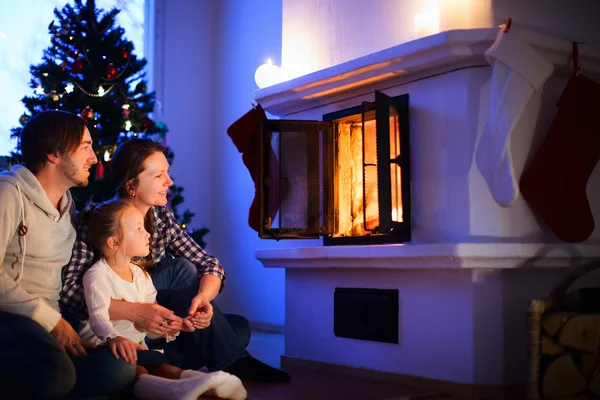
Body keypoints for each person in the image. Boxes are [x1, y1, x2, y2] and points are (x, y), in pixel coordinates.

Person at [62, 138, 291, 382]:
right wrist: (137, 311)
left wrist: (202, 299)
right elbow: (68, 292)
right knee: (181, 270)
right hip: (110, 325)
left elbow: (209, 264)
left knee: (238, 328)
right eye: (159, 175)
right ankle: (225, 361)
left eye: (167, 173)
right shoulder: (99, 220)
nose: (169, 182)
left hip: (155, 326)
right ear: (132, 185)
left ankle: (153, 362)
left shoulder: (162, 219)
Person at [0, 110, 137, 399]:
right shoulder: (8, 193)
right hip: (11, 318)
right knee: (57, 375)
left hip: (53, 320)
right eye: (86, 147)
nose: (95, 158)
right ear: (53, 153)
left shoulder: (69, 205)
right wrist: (50, 321)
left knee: (120, 367)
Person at [80, 198, 247, 400]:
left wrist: (175, 325)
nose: (148, 234)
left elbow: (153, 316)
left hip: (138, 344)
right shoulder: (97, 276)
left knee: (158, 361)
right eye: (139, 229)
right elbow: (98, 316)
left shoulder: (141, 275)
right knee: (140, 366)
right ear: (114, 242)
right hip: (103, 344)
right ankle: (180, 387)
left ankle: (203, 382)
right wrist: (113, 337)